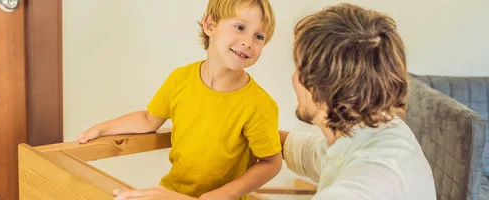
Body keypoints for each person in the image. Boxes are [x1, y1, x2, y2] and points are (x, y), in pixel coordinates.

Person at [111, 3, 437, 200]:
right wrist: (231, 130)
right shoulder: (372, 134)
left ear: (318, 89)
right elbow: (311, 152)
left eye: (299, 68)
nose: (293, 78)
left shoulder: (366, 186)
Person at [74, 0, 283, 199]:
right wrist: (102, 129)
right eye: (240, 27)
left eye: (259, 37)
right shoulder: (180, 79)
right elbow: (148, 119)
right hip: (170, 192)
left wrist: (223, 195)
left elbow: (271, 163)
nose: (248, 42)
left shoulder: (259, 105)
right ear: (210, 25)